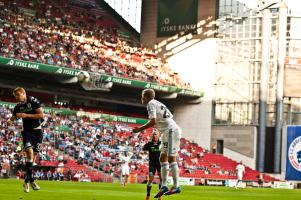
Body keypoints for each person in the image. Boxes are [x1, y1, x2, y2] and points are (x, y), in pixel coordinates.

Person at [133, 89, 181, 198]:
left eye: (142, 96)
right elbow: (164, 119)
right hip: (167, 132)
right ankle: (164, 185)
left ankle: (176, 186)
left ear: (145, 96)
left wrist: (139, 129)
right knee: (162, 158)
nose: (142, 98)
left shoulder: (150, 104)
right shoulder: (157, 103)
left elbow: (153, 121)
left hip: (171, 130)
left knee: (171, 158)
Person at [7, 87, 44, 192]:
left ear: (23, 93)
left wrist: (25, 115)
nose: (16, 98)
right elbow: (13, 118)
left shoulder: (33, 100)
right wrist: (9, 121)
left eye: (18, 95)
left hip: (38, 132)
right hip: (27, 132)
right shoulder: (18, 107)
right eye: (15, 97)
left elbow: (41, 115)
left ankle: (28, 181)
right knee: (29, 153)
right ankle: (30, 181)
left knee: (33, 158)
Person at [143, 130, 162, 200]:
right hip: (152, 163)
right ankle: (148, 195)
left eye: (156, 134)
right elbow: (144, 149)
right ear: (152, 136)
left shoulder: (161, 143)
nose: (155, 135)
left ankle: (160, 195)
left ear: (158, 136)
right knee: (150, 179)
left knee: (161, 179)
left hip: (160, 163)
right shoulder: (149, 144)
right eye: (154, 134)